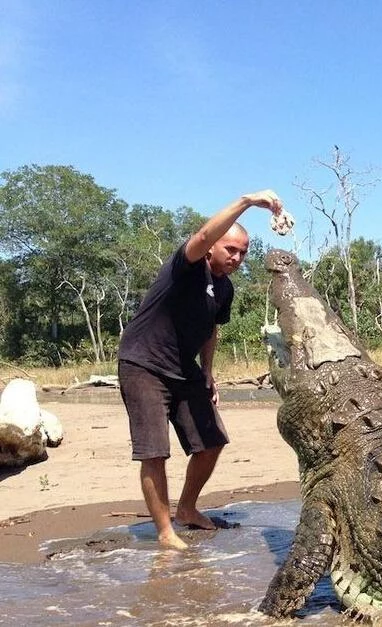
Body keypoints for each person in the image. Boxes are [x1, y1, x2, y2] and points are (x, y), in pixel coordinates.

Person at [117, 190, 283, 550]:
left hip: (184, 368)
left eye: (243, 252)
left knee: (211, 442)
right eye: (231, 249)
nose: (237, 258)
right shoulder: (187, 266)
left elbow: (212, 329)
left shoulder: (224, 289)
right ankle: (165, 532)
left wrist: (207, 371)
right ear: (211, 249)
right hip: (143, 363)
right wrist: (248, 202)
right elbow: (204, 234)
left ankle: (187, 509)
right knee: (154, 451)